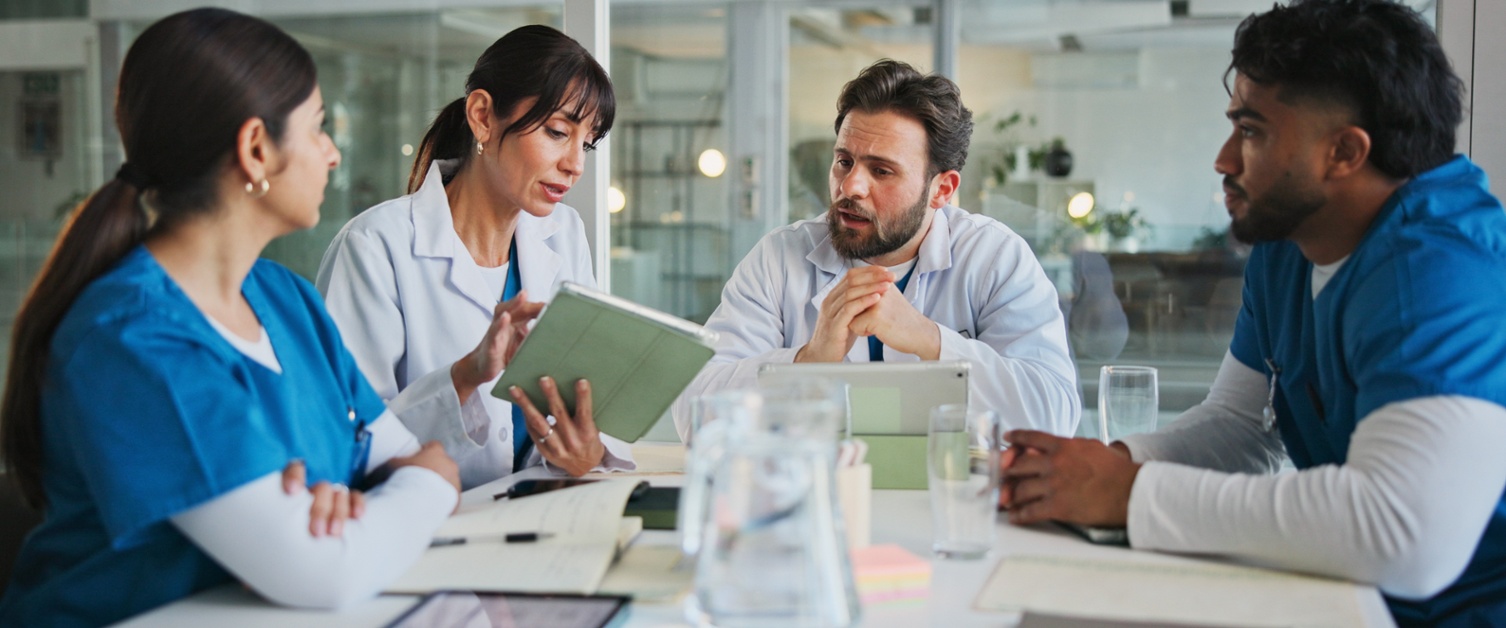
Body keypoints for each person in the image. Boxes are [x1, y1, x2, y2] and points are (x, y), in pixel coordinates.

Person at [1000, 1, 1506, 625]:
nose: (1224, 159)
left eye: (1252, 131)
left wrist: (1130, 494)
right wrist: (1104, 468)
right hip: (1345, 597)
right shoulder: (1289, 244)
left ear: (1344, 152)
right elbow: (1240, 427)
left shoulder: (1440, 269)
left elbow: (1408, 535)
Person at [0, 9, 461, 626]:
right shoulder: (134, 338)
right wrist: (425, 486)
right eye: (318, 129)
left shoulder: (286, 300)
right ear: (255, 149)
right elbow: (332, 565)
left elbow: (401, 455)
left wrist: (361, 503)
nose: (330, 155)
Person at [672, 60, 1079, 440]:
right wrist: (809, 361)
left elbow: (1055, 417)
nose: (850, 187)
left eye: (881, 171)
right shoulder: (779, 258)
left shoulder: (995, 258)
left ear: (942, 189)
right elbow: (693, 414)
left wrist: (930, 339)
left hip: (944, 495)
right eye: (844, 162)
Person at [316, 25, 632, 489]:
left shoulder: (564, 235)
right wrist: (464, 377)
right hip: (424, 528)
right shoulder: (375, 246)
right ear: (483, 116)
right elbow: (348, 438)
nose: (575, 164)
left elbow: (591, 398)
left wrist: (591, 448)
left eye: (586, 143)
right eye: (557, 131)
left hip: (540, 511)